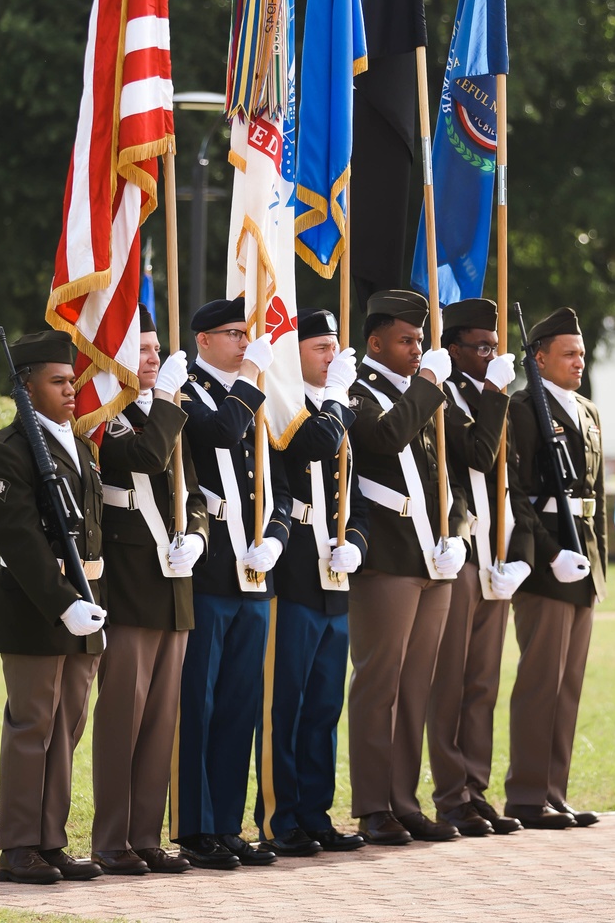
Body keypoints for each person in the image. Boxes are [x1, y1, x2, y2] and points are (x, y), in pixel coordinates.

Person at [0, 330, 107, 886]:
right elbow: (20, 543)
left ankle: (51, 840)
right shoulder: (6, 453)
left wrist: (92, 603)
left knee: (68, 727)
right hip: (36, 607)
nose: (71, 390)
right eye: (57, 382)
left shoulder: (81, 446)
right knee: (33, 726)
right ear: (25, 389)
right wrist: (63, 605)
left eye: (71, 380)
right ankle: (18, 846)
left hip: (86, 604)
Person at [346, 289, 468, 846]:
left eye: (421, 339)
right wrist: (428, 388)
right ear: (376, 342)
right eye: (407, 340)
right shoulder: (356, 391)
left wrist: (458, 531)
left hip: (430, 553)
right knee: (380, 684)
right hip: (388, 557)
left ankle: (404, 799)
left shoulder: (420, 394)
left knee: (416, 685)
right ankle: (374, 805)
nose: (418, 348)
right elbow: (384, 438)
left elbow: (451, 475)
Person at [174, 297, 293, 870]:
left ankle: (227, 823)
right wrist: (249, 379)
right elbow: (218, 435)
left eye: (248, 334)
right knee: (199, 701)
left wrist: (276, 536)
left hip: (254, 573)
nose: (246, 343)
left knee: (241, 706)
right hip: (209, 570)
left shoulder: (258, 395)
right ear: (202, 340)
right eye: (233, 333)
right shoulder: (187, 394)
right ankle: (195, 828)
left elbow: (284, 485)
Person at [90, 304, 208, 876]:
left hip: (174, 580)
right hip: (131, 580)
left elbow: (200, 492)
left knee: (162, 718)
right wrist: (167, 404)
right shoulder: (105, 414)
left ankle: (144, 835)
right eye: (141, 349)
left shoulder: (168, 409)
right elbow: (142, 456)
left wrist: (201, 538)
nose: (154, 358)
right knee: (123, 717)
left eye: (157, 348)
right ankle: (111, 838)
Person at [256, 309, 369, 857]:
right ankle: (280, 817)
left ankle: (316, 812)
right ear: (293, 351)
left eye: (334, 347)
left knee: (325, 705)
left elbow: (360, 499)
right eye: (320, 347)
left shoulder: (339, 410)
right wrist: (338, 402)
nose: (331, 357)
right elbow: (313, 448)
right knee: (288, 703)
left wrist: (358, 545)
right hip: (295, 572)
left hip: (334, 576)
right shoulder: (286, 410)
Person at [427, 297, 532, 838]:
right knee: (451, 680)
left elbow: (510, 474)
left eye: (495, 347)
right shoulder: (442, 394)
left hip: (497, 548)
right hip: (461, 547)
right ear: (453, 348)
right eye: (481, 347)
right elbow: (478, 453)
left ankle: (476, 788)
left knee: (483, 681)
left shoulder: (491, 396)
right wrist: (494, 392)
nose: (491, 354)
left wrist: (518, 550)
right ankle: (451, 796)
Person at [503, 307, 607, 830]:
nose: (578, 362)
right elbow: (517, 495)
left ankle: (553, 789)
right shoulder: (523, 408)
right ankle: (525, 794)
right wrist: (546, 554)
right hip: (549, 560)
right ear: (538, 358)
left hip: (583, 557)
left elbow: (598, 498)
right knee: (541, 680)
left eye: (582, 353)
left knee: (568, 684)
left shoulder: (586, 411)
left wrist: (599, 564)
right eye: (568, 354)